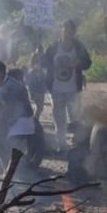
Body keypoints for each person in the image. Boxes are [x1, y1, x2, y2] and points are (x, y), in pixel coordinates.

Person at [43, 19, 92, 147]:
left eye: (69, 30)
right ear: (61, 30)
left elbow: (88, 63)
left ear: (73, 32)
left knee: (75, 117)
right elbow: (43, 62)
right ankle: (61, 142)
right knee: (59, 117)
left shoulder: (78, 47)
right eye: (64, 29)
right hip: (56, 87)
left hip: (73, 88)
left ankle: (76, 142)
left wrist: (78, 63)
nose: (66, 32)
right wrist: (51, 65)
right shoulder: (54, 47)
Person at [0, 59, 36, 174]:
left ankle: (12, 176)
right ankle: (8, 171)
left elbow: (13, 111)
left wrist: (1, 127)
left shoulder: (10, 87)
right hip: (15, 121)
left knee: (9, 150)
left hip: (21, 123)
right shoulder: (5, 84)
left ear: (0, 72)